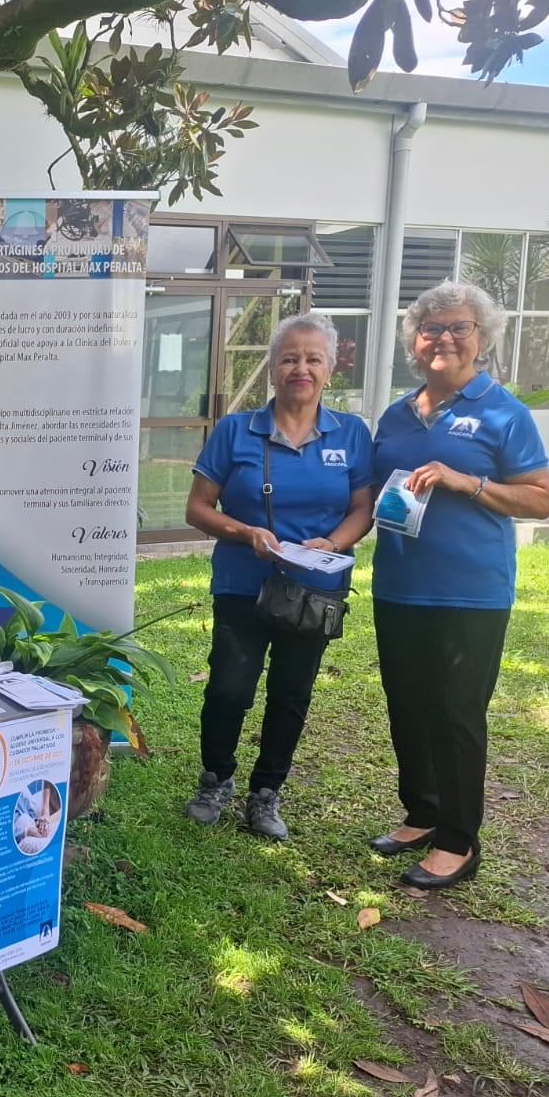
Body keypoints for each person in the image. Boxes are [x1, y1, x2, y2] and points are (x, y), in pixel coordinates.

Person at [368, 281, 549, 889]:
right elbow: (373, 493)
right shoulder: (396, 415)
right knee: (408, 707)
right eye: (432, 329)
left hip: (470, 592)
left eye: (459, 328)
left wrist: (465, 482)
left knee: (456, 713)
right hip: (399, 585)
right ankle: (422, 813)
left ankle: (458, 840)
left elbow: (541, 500)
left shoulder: (504, 412)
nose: (444, 338)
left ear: (482, 339)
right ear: (415, 343)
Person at [183, 313, 376, 840]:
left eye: (314, 358)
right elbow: (198, 509)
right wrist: (245, 532)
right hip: (244, 585)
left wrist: (333, 543)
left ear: (330, 370)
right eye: (290, 357)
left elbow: (364, 509)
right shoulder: (235, 430)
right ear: (273, 368)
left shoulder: (352, 433)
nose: (301, 368)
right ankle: (215, 780)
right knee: (228, 689)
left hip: (314, 591)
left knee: (292, 694)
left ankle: (266, 795)